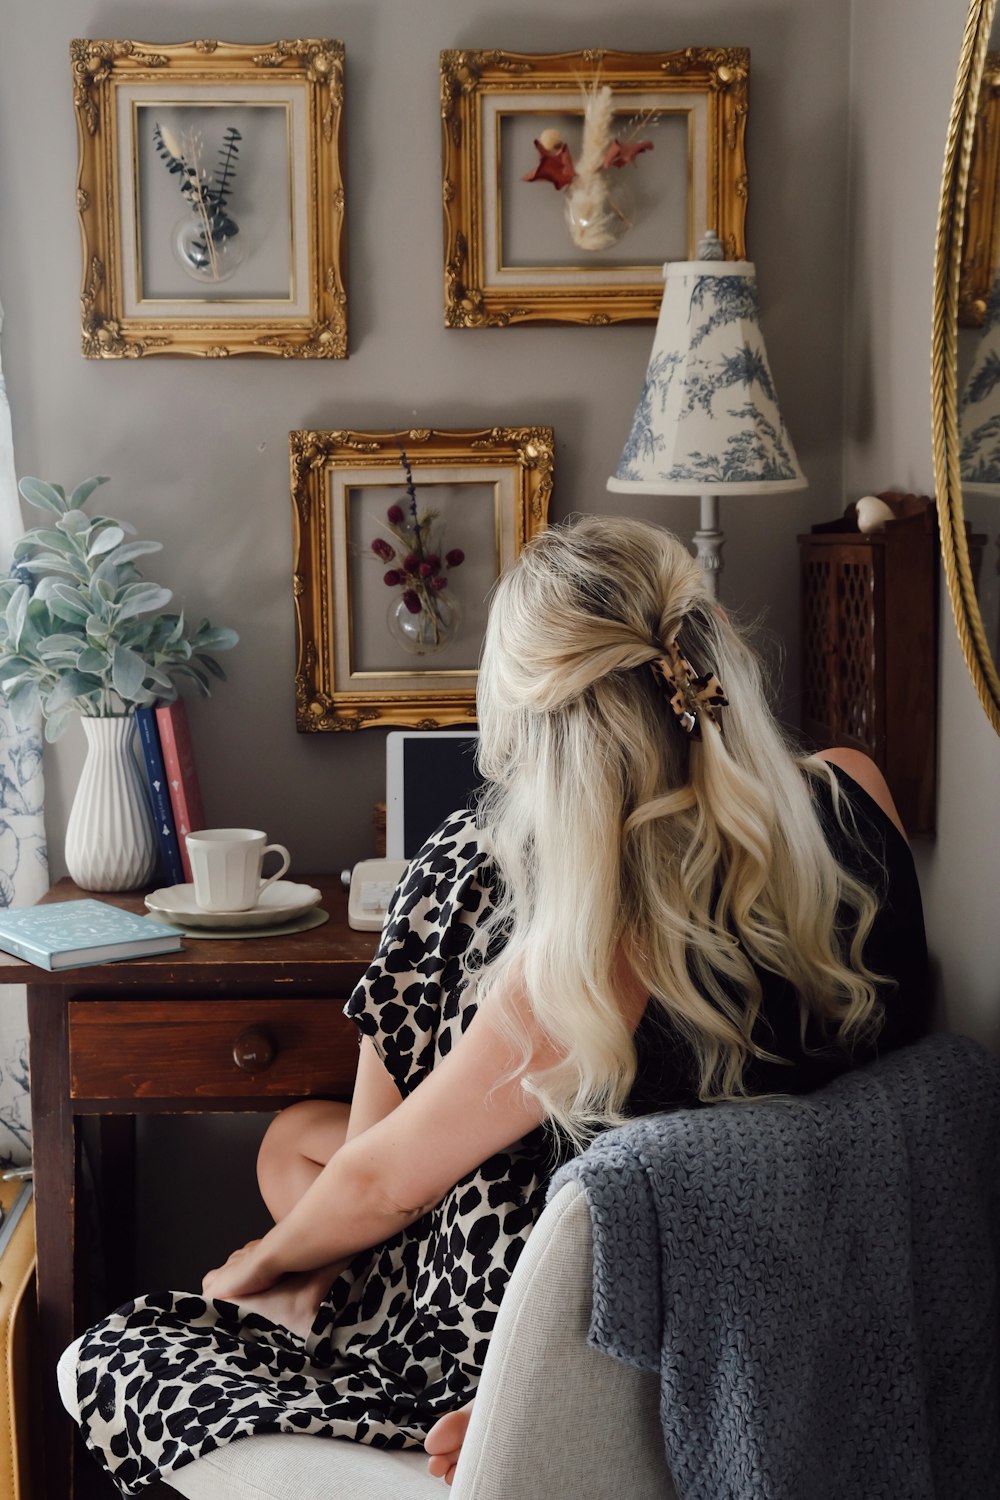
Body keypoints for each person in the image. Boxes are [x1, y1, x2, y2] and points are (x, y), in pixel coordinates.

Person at [60, 516, 930, 1495]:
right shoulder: (855, 792)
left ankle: (353, 1352)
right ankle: (332, 1295)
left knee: (117, 1354)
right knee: (303, 1147)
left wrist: (256, 1269)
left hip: (598, 1327)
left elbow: (387, 1181)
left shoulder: (593, 956)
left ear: (541, 728)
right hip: (777, 1284)